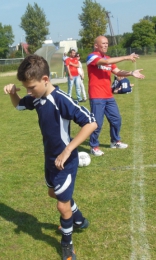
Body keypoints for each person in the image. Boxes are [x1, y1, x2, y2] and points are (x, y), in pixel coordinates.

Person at [3, 54, 97, 260]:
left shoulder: (61, 100)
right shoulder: (37, 98)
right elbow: (19, 105)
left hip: (66, 160)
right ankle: (79, 219)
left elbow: (91, 122)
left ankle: (67, 244)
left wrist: (67, 150)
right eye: (26, 88)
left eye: (32, 87)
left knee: (62, 205)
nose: (29, 92)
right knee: (53, 194)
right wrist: (12, 92)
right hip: (50, 160)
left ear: (45, 80)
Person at [86, 35, 145, 156]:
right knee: (97, 123)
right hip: (97, 96)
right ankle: (94, 147)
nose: (106, 45)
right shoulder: (91, 57)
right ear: (96, 45)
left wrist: (131, 73)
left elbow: (117, 72)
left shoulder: (108, 58)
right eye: (103, 43)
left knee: (116, 119)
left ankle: (115, 141)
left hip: (108, 95)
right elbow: (106, 62)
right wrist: (127, 57)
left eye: (107, 43)